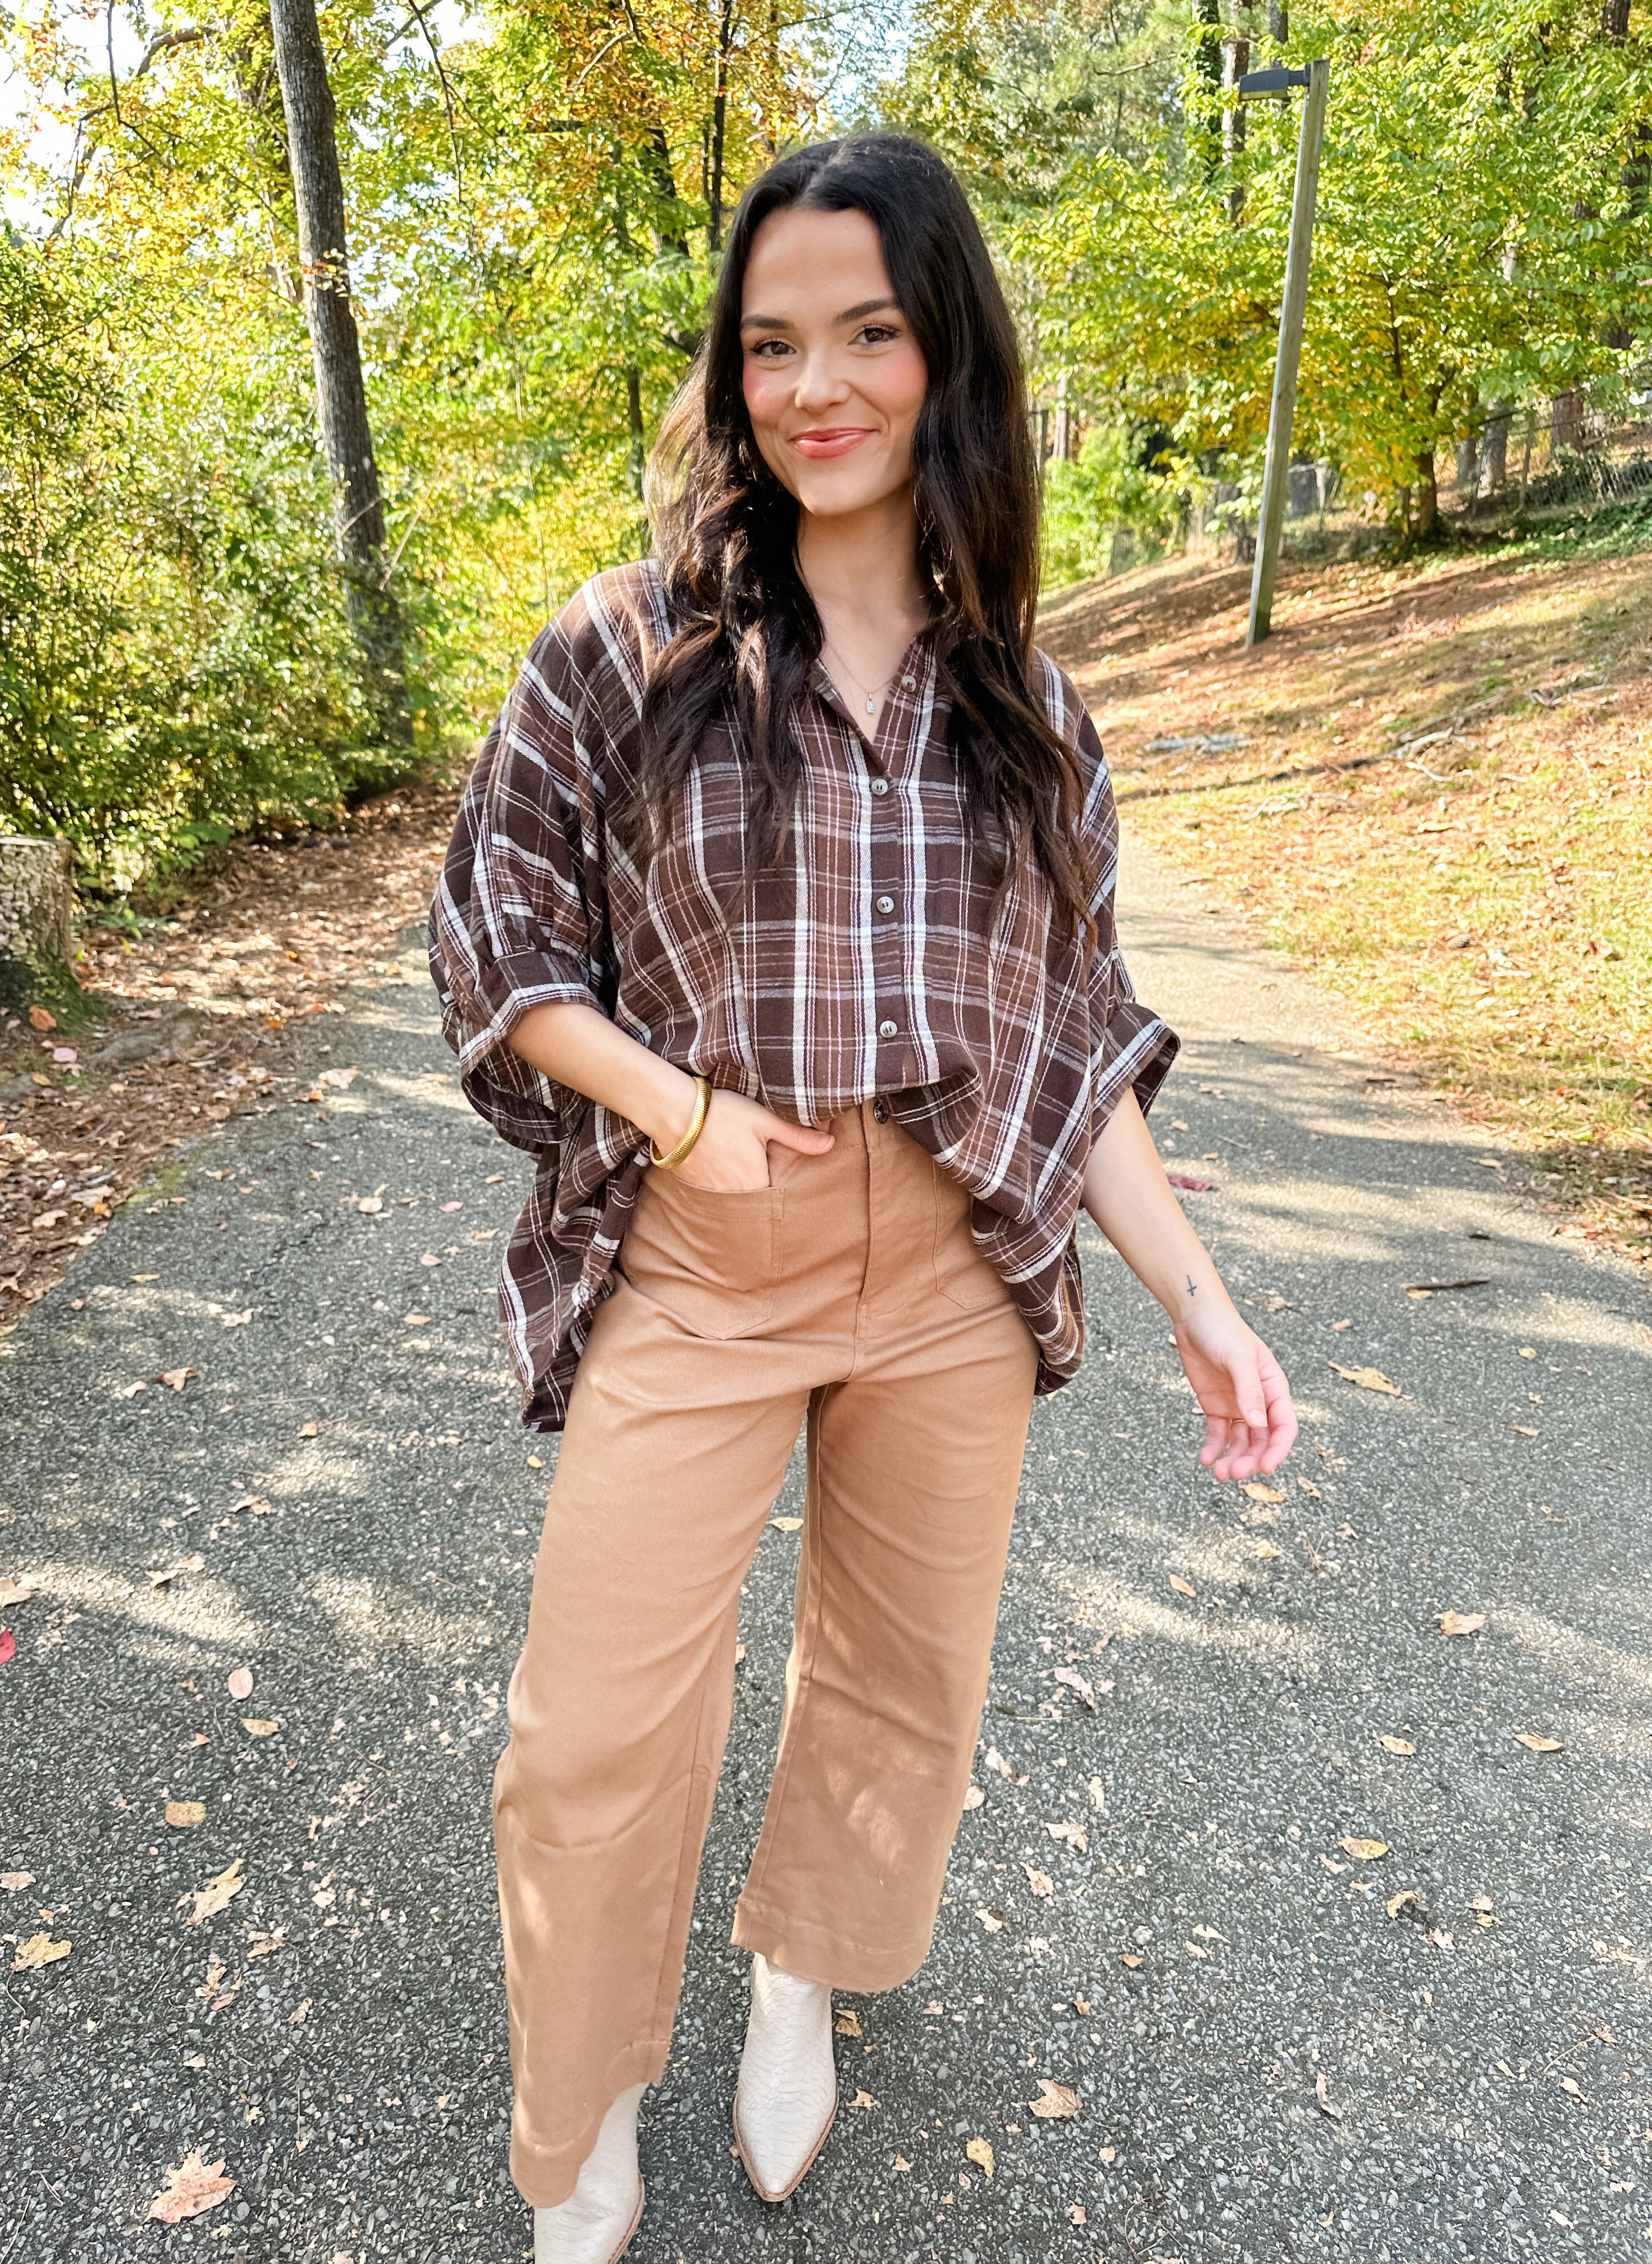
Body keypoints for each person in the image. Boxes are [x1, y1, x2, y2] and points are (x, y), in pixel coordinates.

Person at [429, 130, 1297, 2264]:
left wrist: (1200, 1295)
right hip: (706, 1252)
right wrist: (686, 1119)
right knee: (592, 1727)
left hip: (948, 1276)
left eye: (870, 334)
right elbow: (494, 936)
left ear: (948, 358)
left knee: (900, 1675)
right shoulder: (621, 648)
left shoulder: (1031, 701)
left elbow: (1071, 1039)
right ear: (732, 374)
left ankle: (798, 1968)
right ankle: (582, 2118)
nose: (816, 386)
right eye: (773, 343)